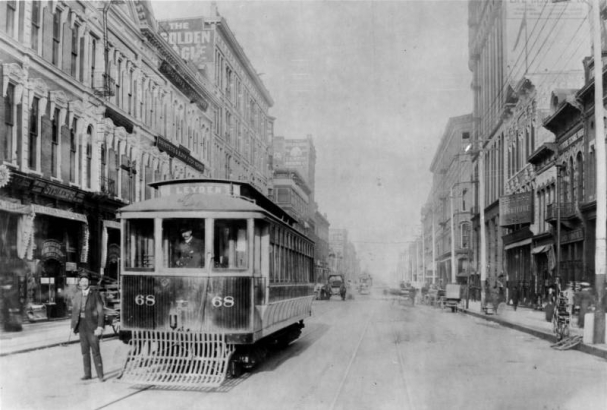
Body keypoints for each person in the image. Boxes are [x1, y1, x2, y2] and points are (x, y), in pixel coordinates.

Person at [70, 272, 105, 382]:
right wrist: (73, 326)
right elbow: (75, 311)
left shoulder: (95, 294)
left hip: (92, 326)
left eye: (86, 281)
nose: (84, 283)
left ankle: (100, 375)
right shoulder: (77, 295)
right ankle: (87, 374)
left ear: (88, 282)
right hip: (81, 325)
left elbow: (100, 312)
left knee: (96, 351)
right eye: (82, 282)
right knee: (84, 351)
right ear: (79, 283)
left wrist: (100, 327)